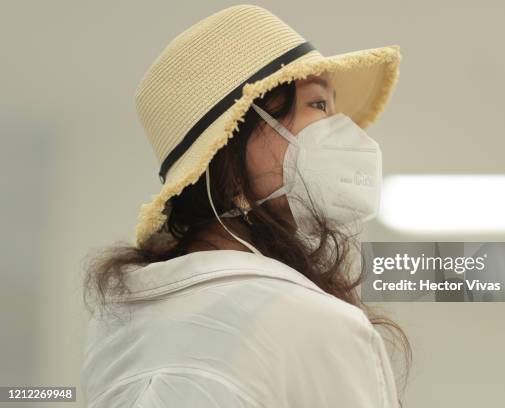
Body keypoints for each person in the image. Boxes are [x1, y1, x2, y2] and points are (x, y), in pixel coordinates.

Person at [81, 4, 410, 407]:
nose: (342, 131)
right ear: (232, 144)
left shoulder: (113, 330)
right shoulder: (318, 326)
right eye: (319, 106)